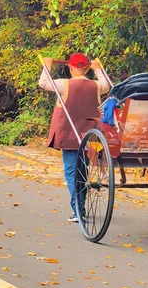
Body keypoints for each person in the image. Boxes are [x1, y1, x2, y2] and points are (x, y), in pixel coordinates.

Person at [39, 53, 111, 222]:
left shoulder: (64, 84)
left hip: (69, 135)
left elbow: (43, 83)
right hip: (90, 136)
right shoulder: (96, 86)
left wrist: (47, 66)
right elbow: (106, 85)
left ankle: (78, 208)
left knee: (72, 172)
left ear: (70, 68)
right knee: (83, 172)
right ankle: (80, 206)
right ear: (86, 68)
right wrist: (98, 70)